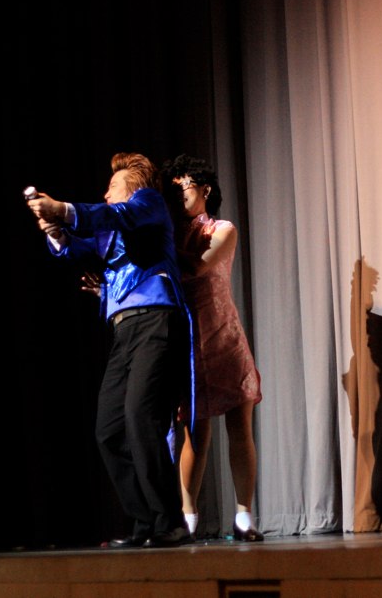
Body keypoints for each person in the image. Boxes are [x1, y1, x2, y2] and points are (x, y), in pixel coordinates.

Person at [27, 152, 193, 548]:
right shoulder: (112, 223)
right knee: (110, 428)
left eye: (112, 186)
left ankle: (170, 521)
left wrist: (64, 209)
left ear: (133, 188)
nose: (105, 193)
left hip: (155, 317)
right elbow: (80, 249)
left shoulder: (147, 205)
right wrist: (56, 230)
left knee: (140, 416)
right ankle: (144, 523)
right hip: (124, 331)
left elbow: (110, 216)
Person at [161, 154, 264, 542]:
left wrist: (159, 252)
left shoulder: (223, 228)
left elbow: (200, 266)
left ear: (203, 189)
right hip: (187, 342)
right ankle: (188, 518)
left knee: (239, 427)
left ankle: (244, 517)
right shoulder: (169, 234)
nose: (179, 196)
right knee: (193, 434)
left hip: (223, 336)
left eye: (184, 188)